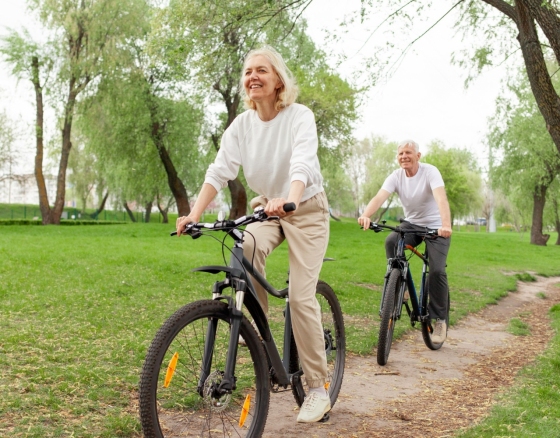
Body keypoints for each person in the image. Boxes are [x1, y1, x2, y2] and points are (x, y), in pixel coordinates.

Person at [176, 45, 331, 423]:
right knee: (242, 248)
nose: (252, 77)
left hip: (305, 209)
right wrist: (194, 213)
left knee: (299, 295)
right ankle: (264, 345)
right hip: (267, 208)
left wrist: (290, 199)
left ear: (278, 80)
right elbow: (219, 170)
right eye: (247, 71)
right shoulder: (242, 126)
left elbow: (303, 163)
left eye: (261, 70)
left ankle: (317, 387)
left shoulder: (299, 116)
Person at [358, 139, 452, 344]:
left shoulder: (430, 172)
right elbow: (379, 197)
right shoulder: (396, 176)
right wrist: (366, 215)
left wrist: (445, 225)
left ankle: (439, 320)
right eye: (400, 153)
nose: (404, 157)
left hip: (436, 227)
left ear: (418, 156)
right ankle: (403, 287)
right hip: (412, 224)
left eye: (408, 153)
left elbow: (441, 199)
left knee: (436, 270)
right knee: (391, 241)